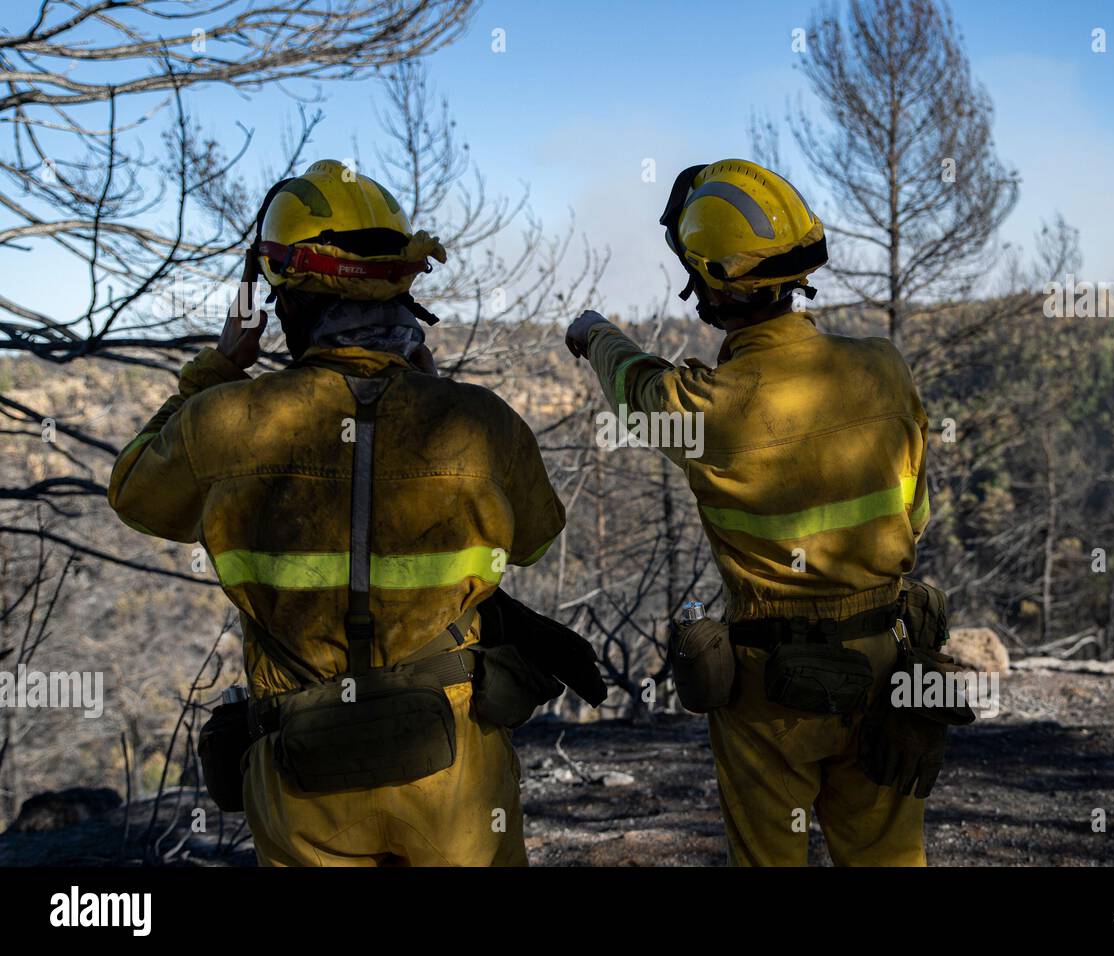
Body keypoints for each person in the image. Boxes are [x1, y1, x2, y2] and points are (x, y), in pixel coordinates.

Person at [110, 159, 569, 866]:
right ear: (400, 297)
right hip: (454, 778)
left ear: (285, 307)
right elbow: (537, 536)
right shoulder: (480, 423)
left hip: (303, 776)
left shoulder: (225, 422)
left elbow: (135, 492)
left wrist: (216, 371)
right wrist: (435, 396)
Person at [566, 159, 933, 866]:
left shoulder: (708, 409)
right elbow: (917, 512)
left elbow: (634, 386)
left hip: (773, 688)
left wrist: (594, 333)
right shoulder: (884, 366)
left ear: (708, 283)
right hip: (887, 661)